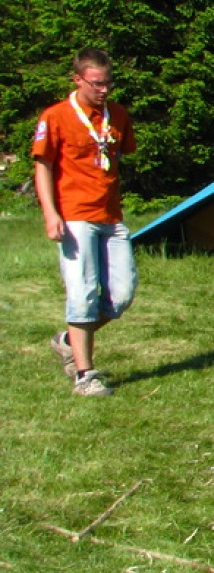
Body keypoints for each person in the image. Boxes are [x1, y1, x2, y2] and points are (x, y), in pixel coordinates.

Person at [32, 48, 138, 397]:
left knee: (121, 295)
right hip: (75, 216)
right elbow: (43, 165)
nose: (104, 90)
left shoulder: (117, 115)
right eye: (96, 84)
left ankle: (67, 339)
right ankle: (85, 374)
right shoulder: (56, 116)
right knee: (82, 293)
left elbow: (117, 156)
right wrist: (51, 213)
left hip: (110, 215)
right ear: (77, 79)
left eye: (108, 82)